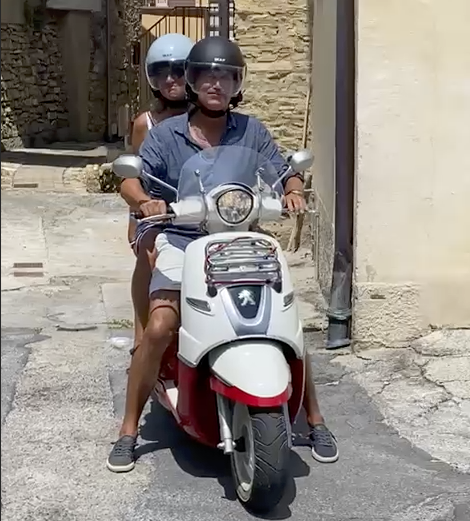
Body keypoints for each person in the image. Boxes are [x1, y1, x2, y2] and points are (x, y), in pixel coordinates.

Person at [107, 36, 338, 473]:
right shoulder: (167, 134)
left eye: (226, 76)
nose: (216, 83)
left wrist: (292, 191)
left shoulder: (252, 131)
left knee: (286, 320)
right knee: (160, 325)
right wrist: (145, 201)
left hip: (241, 237)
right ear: (192, 82)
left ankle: (315, 419)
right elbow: (132, 179)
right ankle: (129, 429)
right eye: (206, 75)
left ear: (237, 84)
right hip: (181, 238)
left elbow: (282, 171)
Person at [121, 33, 194, 354]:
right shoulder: (145, 123)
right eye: (161, 72)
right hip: (158, 215)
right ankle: (142, 335)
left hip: (204, 211)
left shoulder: (207, 117)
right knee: (148, 250)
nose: (170, 79)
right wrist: (141, 206)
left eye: (178, 71)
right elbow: (134, 174)